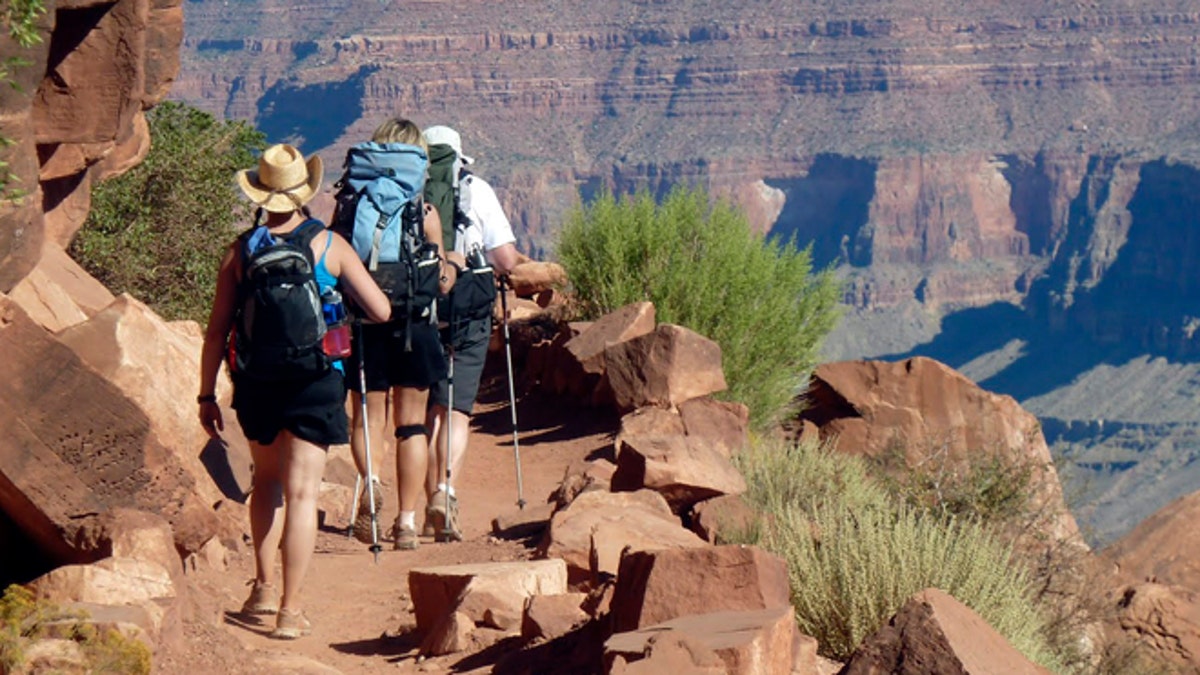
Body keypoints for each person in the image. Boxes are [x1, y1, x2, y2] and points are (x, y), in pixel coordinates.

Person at [198, 143, 391, 639]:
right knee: (303, 492)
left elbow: (217, 330)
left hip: (258, 381)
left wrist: (206, 395)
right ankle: (290, 609)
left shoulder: (241, 250)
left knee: (265, 483)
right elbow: (382, 310)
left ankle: (262, 587)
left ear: (261, 193)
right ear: (303, 192)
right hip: (316, 380)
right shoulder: (329, 245)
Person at [342, 118, 456, 551]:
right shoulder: (424, 213)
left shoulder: (353, 205)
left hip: (366, 324)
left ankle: (370, 481)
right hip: (415, 326)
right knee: (411, 426)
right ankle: (407, 522)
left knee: (367, 418)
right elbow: (441, 280)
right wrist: (452, 267)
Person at [422, 125, 523, 540]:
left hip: (420, 303)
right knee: (457, 409)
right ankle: (445, 492)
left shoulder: (409, 187)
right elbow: (506, 259)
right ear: (459, 156)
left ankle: (417, 504)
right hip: (468, 304)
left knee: (428, 408)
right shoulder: (475, 188)